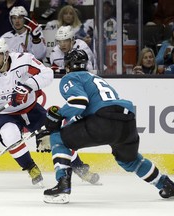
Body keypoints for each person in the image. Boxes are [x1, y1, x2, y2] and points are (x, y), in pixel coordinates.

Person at [42, 49, 174, 204]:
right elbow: (86, 111)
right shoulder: (96, 78)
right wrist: (62, 118)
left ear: (67, 66)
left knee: (58, 137)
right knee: (130, 161)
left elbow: (79, 102)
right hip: (127, 119)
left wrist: (57, 117)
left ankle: (62, 185)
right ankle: (165, 184)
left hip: (104, 119)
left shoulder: (70, 77)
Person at [0, 37, 53, 186]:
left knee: (56, 135)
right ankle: (31, 168)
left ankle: (78, 166)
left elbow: (47, 74)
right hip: (5, 115)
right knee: (10, 136)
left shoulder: (23, 60)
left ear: (6, 54)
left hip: (31, 109)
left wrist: (27, 87)